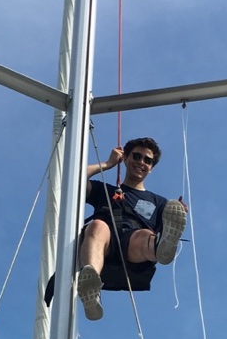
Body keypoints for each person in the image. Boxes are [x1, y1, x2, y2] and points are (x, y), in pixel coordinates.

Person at [77, 137, 187, 321]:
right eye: (136, 156)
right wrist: (108, 164)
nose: (141, 162)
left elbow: (169, 220)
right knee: (97, 225)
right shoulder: (104, 190)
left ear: (151, 168)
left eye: (147, 160)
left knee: (144, 235)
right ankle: (91, 286)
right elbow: (74, 178)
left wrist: (175, 216)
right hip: (104, 244)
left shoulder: (159, 202)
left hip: (134, 249)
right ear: (125, 158)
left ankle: (161, 247)